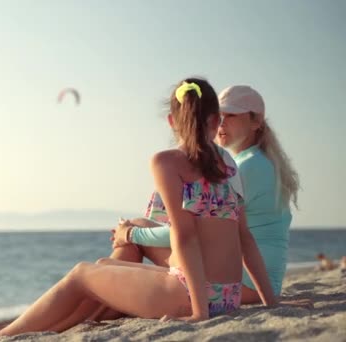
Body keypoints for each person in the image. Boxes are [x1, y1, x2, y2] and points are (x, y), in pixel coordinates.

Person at [0, 78, 276, 341]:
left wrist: (200, 312)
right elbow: (244, 239)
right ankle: (27, 330)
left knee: (82, 273)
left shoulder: (167, 162)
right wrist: (271, 302)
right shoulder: (227, 165)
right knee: (104, 267)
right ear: (214, 121)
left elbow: (185, 237)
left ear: (172, 121)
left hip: (190, 294)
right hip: (229, 296)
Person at [89, 85, 299, 321]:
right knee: (117, 253)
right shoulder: (256, 161)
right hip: (253, 282)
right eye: (218, 116)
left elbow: (191, 232)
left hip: (243, 283)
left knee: (129, 239)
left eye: (231, 116)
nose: (221, 123)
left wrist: (129, 234)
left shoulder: (242, 167)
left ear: (256, 122)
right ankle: (104, 301)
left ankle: (98, 302)